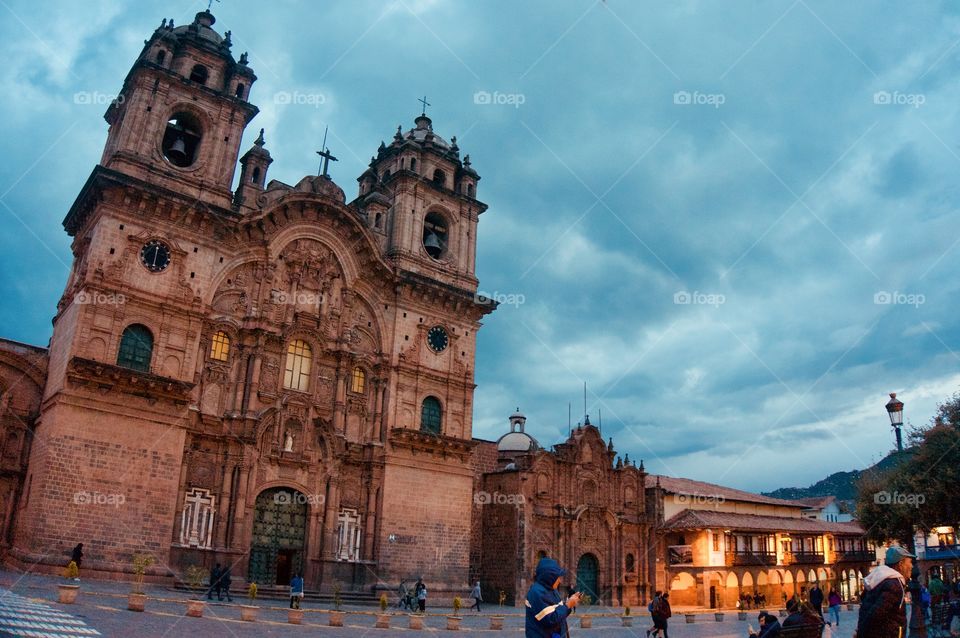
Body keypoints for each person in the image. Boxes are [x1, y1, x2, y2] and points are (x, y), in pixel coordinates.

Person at [854, 545, 914, 638]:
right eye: (910, 562)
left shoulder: (879, 580)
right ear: (901, 564)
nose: (912, 566)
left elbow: (866, 606)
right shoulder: (894, 585)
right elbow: (876, 614)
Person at [524, 556, 581, 638]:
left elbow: (559, 612)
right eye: (558, 577)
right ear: (549, 577)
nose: (560, 581)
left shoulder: (552, 589)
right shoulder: (536, 593)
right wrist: (568, 605)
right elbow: (550, 619)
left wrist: (570, 603)